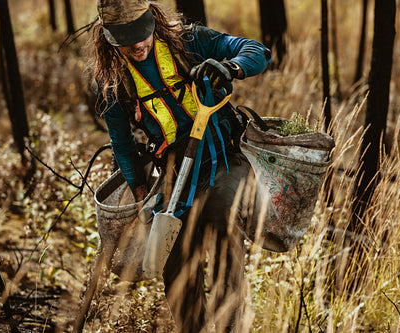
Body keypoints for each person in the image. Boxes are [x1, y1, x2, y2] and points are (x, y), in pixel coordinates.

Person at [88, 0, 271, 331]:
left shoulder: (190, 41)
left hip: (224, 158)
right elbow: (122, 143)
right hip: (174, 172)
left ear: (152, 19)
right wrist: (141, 192)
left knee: (222, 222)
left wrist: (231, 67)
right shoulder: (113, 81)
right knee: (175, 265)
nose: (137, 45)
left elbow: (256, 51)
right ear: (110, 37)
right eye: (126, 39)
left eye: (141, 34)